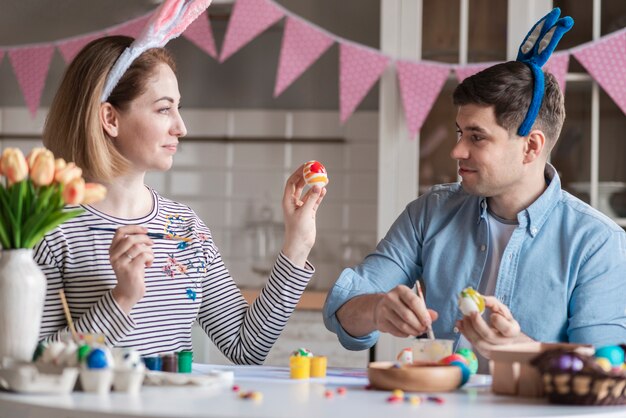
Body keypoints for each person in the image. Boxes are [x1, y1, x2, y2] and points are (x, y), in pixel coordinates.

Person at [35, 35, 326, 365]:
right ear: (110, 119)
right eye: (163, 109)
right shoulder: (49, 230)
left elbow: (248, 347)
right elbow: (35, 363)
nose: (181, 127)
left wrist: (297, 244)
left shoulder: (185, 227)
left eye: (178, 108)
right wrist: (121, 299)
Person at [322, 59, 626, 372]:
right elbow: (340, 309)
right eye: (459, 133)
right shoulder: (430, 212)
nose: (457, 151)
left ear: (531, 147)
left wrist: (523, 349)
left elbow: (606, 369)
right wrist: (376, 309)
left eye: (476, 137)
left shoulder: (597, 242)